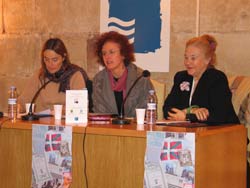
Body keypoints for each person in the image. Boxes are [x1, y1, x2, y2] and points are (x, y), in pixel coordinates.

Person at [163, 34, 239, 125]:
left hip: (225, 133)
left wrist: (187, 116)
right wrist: (191, 110)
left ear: (207, 60)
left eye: (193, 58)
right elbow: (167, 109)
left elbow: (220, 115)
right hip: (192, 133)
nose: (188, 62)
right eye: (186, 57)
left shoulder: (216, 78)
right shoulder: (181, 77)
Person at [18, 38, 90, 113]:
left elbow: (80, 107)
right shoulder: (40, 75)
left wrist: (59, 111)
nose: (50, 64)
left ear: (64, 57)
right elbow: (23, 101)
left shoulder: (75, 75)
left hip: (66, 122)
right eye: (46, 59)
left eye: (55, 60)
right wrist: (17, 108)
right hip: (42, 122)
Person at [92, 31, 153, 117]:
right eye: (104, 53)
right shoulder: (99, 80)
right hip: (108, 128)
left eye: (112, 52)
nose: (107, 57)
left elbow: (146, 111)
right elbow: (99, 111)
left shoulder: (140, 78)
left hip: (135, 128)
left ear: (123, 54)